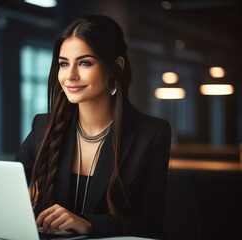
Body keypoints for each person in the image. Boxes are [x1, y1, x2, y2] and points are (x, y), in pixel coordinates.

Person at [15, 15, 171, 239]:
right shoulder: (44, 126)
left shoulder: (151, 134)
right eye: (64, 63)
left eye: (85, 63)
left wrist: (89, 224)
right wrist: (27, 201)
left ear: (115, 67)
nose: (70, 75)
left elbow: (150, 225)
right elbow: (9, 191)